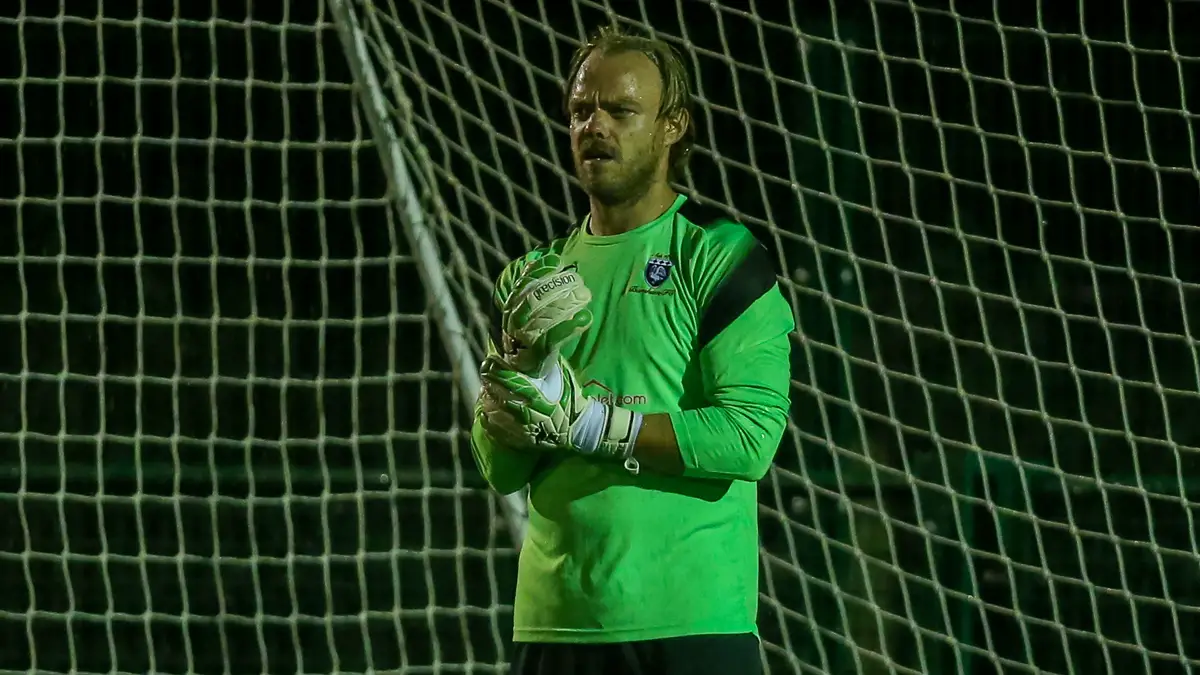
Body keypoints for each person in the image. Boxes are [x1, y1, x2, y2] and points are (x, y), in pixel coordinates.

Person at [469, 23, 794, 675]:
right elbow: (500, 469)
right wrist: (507, 419)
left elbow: (749, 436)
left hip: (692, 627)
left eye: (621, 110)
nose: (595, 126)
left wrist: (592, 422)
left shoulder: (721, 255)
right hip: (555, 628)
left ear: (673, 126)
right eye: (582, 110)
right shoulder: (536, 276)